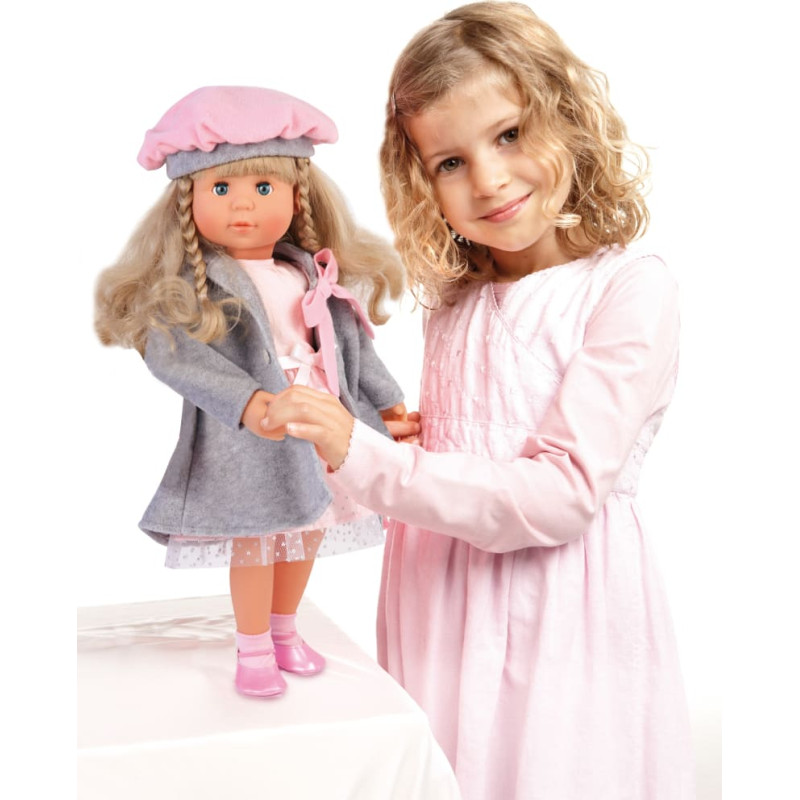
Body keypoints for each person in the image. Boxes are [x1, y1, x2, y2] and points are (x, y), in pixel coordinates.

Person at [263, 3, 695, 797]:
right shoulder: (454, 303)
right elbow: (464, 456)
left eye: (509, 134)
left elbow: (561, 493)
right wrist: (395, 440)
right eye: (450, 162)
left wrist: (369, 456)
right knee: (446, 772)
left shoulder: (629, 289)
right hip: (439, 604)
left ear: (568, 118)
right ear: (420, 180)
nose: (489, 180)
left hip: (560, 611)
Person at [94, 86, 406, 699]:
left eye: (264, 187)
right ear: (187, 200)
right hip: (252, 435)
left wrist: (387, 404)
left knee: (310, 525)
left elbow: (351, 347)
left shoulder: (310, 271)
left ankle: (286, 630)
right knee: (258, 539)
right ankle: (254, 644)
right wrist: (249, 403)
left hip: (323, 418)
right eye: (221, 189)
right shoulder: (198, 284)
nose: (243, 205)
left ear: (297, 195)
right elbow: (174, 356)